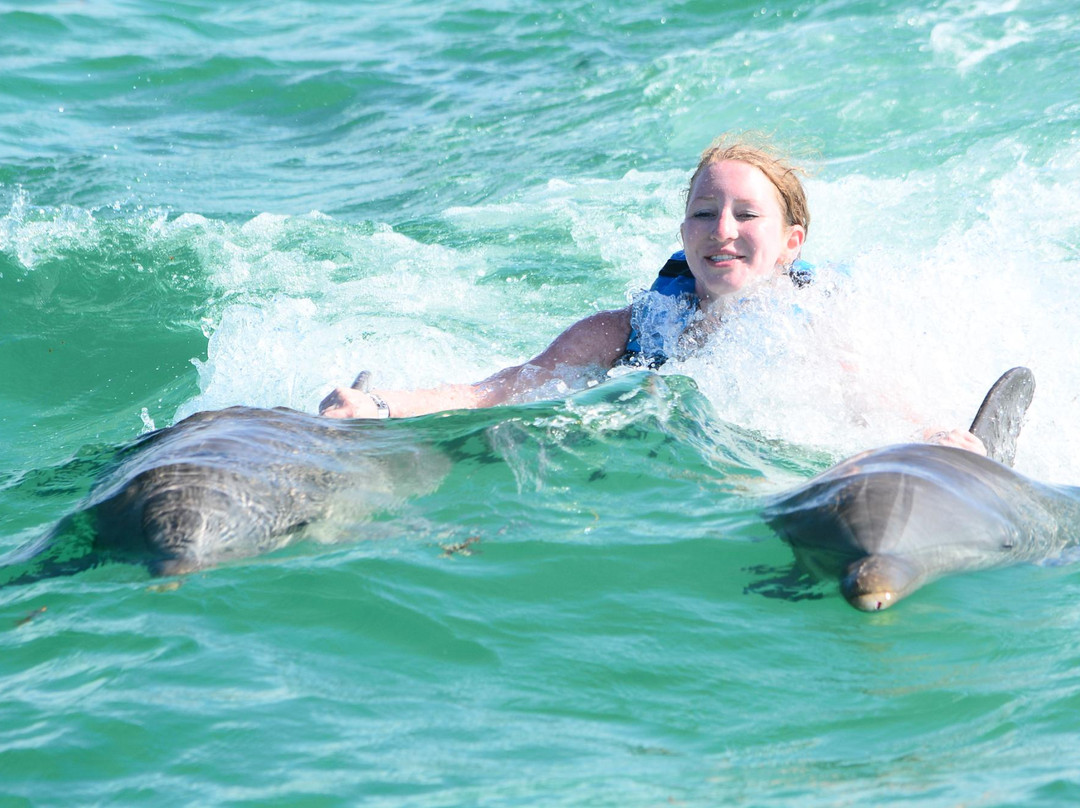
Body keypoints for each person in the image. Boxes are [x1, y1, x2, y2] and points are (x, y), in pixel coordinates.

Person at [318, 135, 987, 455]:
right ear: (683, 231)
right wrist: (379, 405)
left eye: (747, 216)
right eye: (704, 213)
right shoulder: (629, 328)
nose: (721, 232)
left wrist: (940, 439)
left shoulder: (816, 329)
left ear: (791, 243)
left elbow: (879, 408)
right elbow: (497, 390)